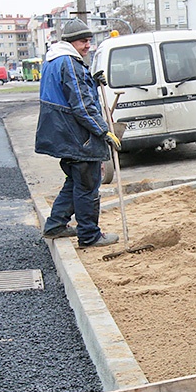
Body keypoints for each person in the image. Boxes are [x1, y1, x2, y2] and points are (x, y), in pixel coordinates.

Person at [35, 18, 121, 248]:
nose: (88, 46)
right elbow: (81, 106)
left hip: (60, 132)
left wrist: (91, 82)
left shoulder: (53, 60)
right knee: (87, 185)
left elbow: (69, 93)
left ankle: (55, 225)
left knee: (74, 181)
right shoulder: (70, 63)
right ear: (71, 42)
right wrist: (103, 131)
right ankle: (89, 235)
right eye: (84, 42)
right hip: (75, 134)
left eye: (89, 41)